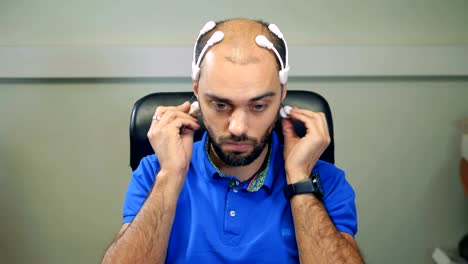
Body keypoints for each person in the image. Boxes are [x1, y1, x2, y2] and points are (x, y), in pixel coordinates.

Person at [102, 18, 364, 263]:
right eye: (220, 104)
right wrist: (171, 176)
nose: (238, 128)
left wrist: (300, 180)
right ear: (196, 90)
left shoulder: (322, 179)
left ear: (282, 94)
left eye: (259, 106)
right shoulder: (155, 172)